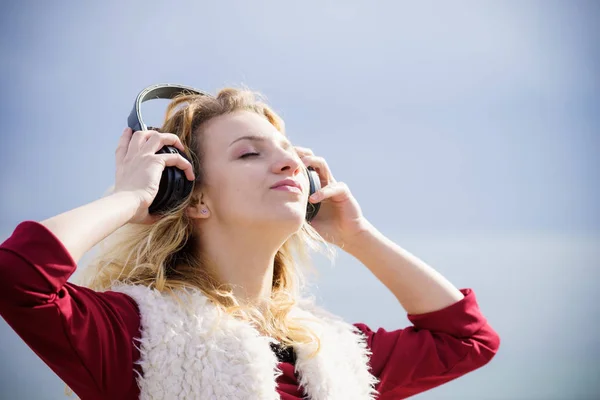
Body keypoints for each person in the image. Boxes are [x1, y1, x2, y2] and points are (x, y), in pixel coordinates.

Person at [0, 88, 499, 400]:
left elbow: (467, 341)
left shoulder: (331, 352)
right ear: (192, 198)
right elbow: (17, 277)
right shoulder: (136, 337)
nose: (287, 166)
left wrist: (357, 236)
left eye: (290, 156)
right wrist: (129, 196)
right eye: (249, 155)